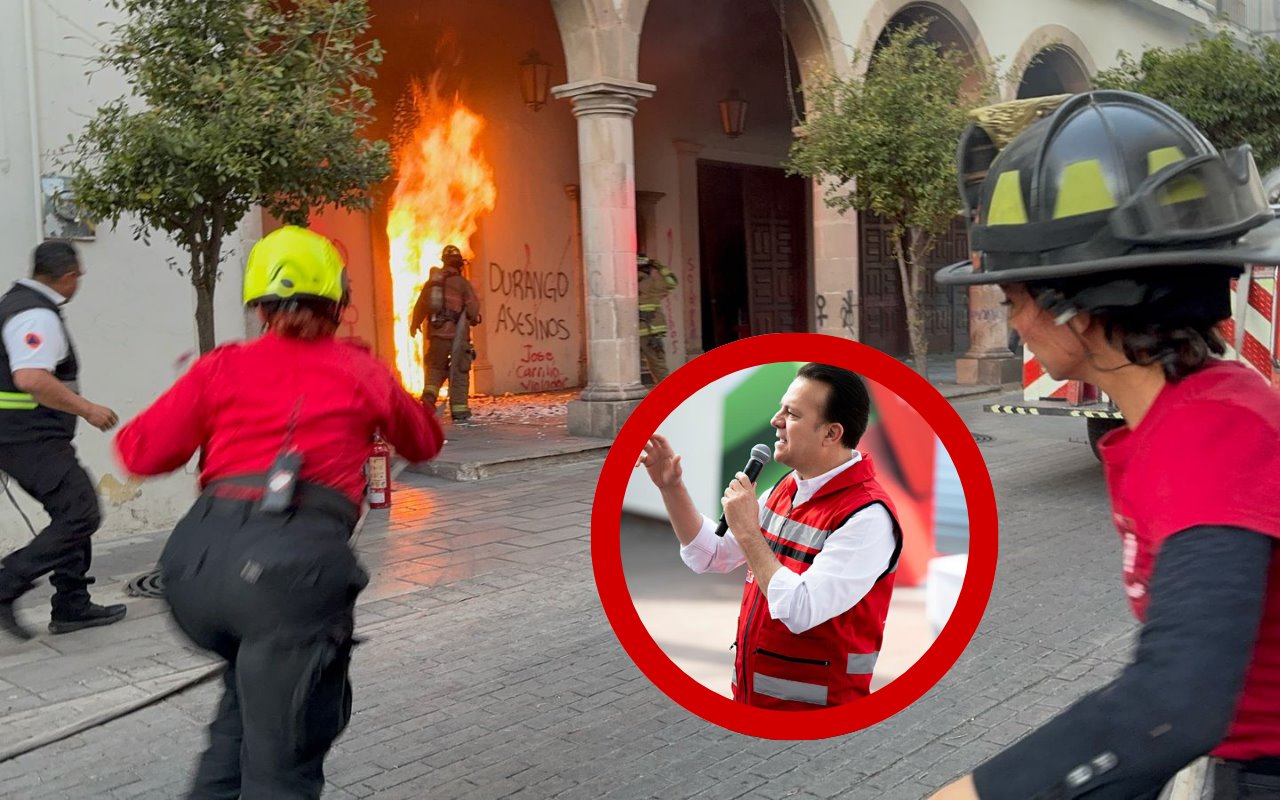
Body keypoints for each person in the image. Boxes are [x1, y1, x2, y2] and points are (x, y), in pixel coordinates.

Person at [931, 90, 1280, 799]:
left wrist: (976, 793)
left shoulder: (1215, 434)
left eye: (1017, 299)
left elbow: (1169, 707)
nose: (1017, 322)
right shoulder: (1176, 420)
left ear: (1079, 310)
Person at [114, 226, 444, 799]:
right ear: (338, 303)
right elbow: (424, 442)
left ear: (260, 305)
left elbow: (140, 451)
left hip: (197, 572)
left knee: (243, 721)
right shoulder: (360, 370)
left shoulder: (222, 368)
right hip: (289, 582)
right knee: (282, 766)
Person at [637, 363, 902, 709]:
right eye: (781, 409)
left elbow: (801, 609)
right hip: (752, 702)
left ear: (831, 434)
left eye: (791, 414)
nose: (775, 421)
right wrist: (671, 488)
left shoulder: (867, 517)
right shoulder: (786, 488)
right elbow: (712, 555)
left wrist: (748, 530)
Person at [0, 240, 125, 639]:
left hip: (27, 434)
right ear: (68, 276)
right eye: (79, 276)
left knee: (72, 506)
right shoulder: (35, 315)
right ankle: (7, 583)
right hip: (27, 435)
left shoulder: (17, 304)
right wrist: (87, 408)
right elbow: (31, 378)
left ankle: (72, 603)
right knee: (81, 511)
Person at [410, 244, 480, 423]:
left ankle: (428, 400)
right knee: (459, 371)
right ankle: (460, 411)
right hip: (458, 337)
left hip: (437, 335)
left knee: (435, 368)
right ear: (459, 264)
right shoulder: (463, 284)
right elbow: (473, 308)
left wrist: (414, 324)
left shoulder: (433, 282)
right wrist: (474, 317)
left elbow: (421, 305)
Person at [637, 253, 677, 383]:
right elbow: (672, 282)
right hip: (653, 331)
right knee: (658, 366)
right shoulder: (656, 284)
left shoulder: (629, 282)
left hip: (639, 330)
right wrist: (659, 266)